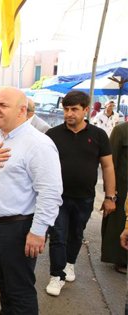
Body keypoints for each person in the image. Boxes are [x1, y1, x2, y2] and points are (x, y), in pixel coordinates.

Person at [0, 87, 63, 315]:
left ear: (22, 111)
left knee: (20, 289)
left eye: (3, 105)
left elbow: (50, 193)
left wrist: (38, 231)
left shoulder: (37, 144)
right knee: (3, 281)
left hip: (18, 228)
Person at [44, 90, 116, 296]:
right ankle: (56, 275)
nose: (69, 114)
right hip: (57, 197)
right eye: (66, 109)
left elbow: (108, 166)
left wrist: (110, 197)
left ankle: (69, 263)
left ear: (85, 110)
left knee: (76, 233)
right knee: (58, 235)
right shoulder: (52, 135)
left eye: (74, 109)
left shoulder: (99, 135)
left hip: (84, 198)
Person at [102, 122, 128, 273]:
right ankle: (121, 260)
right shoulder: (121, 130)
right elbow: (110, 164)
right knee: (119, 223)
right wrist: (110, 193)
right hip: (123, 188)